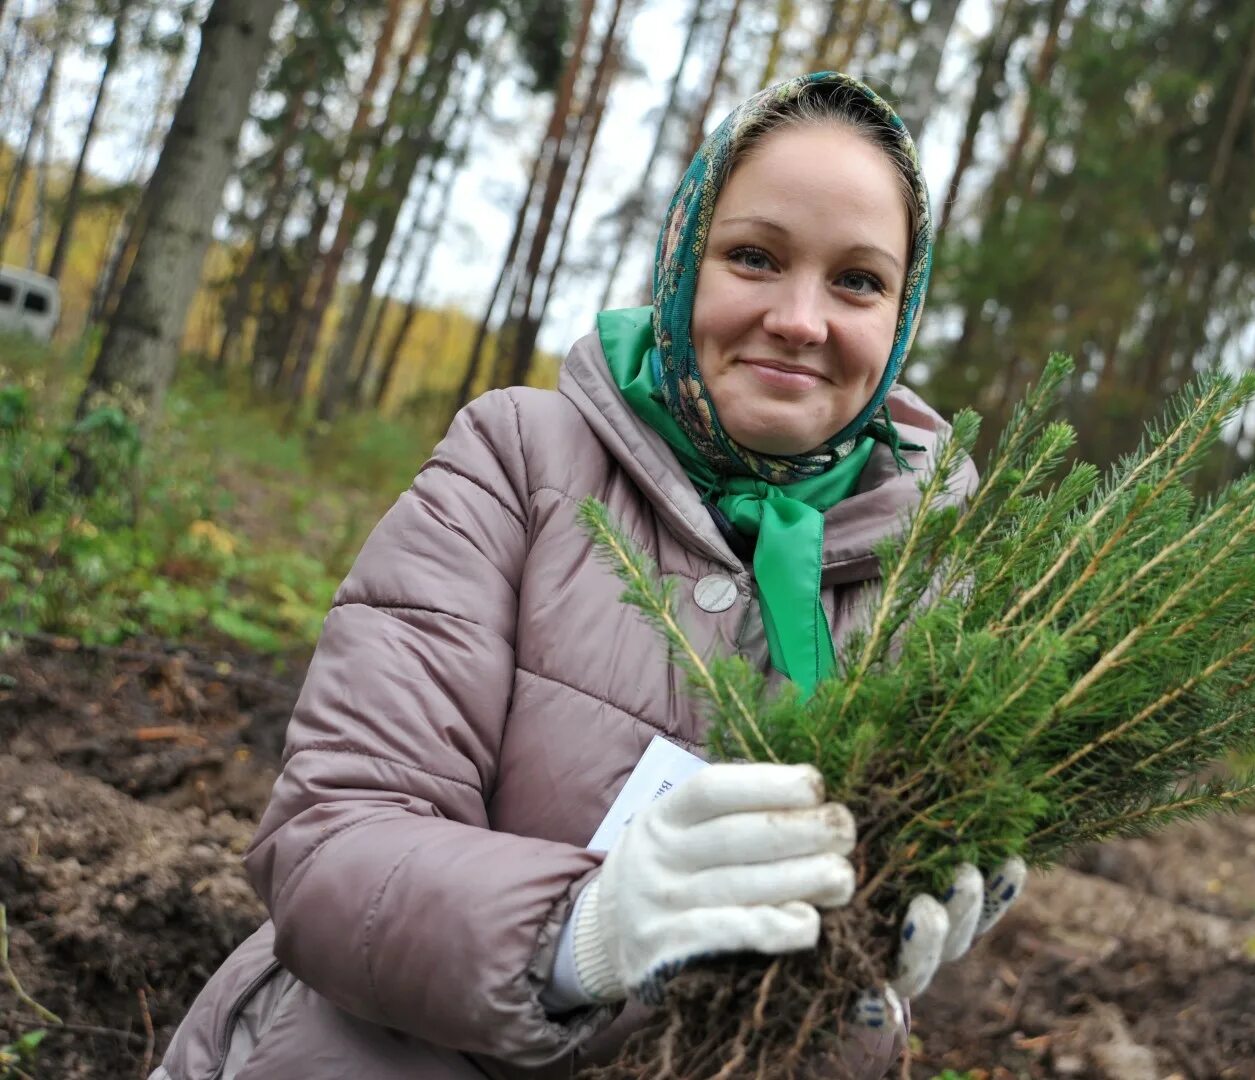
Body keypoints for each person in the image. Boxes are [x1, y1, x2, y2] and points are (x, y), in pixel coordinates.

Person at [154, 71, 1024, 1080]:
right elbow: (331, 851)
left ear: (903, 313)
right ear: (684, 260)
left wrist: (860, 988)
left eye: (858, 282)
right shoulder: (520, 459)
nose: (800, 317)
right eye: (754, 257)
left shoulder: (930, 583)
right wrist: (589, 930)